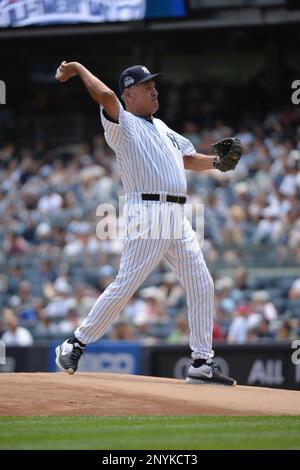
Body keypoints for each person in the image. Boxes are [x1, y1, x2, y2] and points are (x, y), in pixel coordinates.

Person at [55, 60, 239, 386]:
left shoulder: (163, 127)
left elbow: (188, 158)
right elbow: (106, 95)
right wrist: (80, 70)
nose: (155, 90)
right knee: (126, 284)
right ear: (130, 93)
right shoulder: (122, 122)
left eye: (154, 85)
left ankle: (200, 362)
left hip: (177, 217)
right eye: (147, 86)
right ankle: (75, 343)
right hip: (148, 212)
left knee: (202, 282)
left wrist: (219, 162)